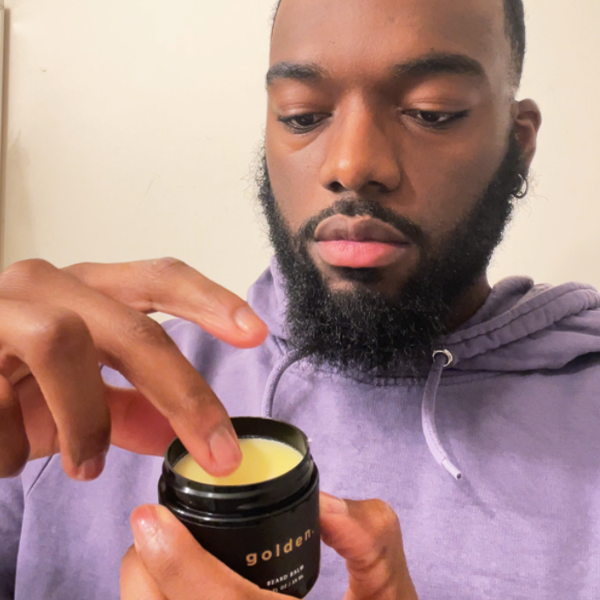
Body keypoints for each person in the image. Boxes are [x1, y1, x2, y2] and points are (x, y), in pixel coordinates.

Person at [0, 0, 599, 598]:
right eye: (303, 115)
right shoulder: (71, 391)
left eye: (431, 113)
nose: (352, 164)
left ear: (517, 143)